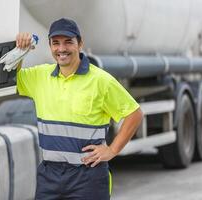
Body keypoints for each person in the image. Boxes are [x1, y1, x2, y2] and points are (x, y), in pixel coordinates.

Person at [16, 18, 143, 200]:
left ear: (80, 43)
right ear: (50, 46)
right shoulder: (39, 76)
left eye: (68, 42)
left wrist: (112, 150)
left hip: (88, 177)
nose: (62, 49)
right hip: (49, 175)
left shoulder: (101, 81)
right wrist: (20, 51)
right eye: (56, 43)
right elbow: (11, 79)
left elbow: (134, 114)